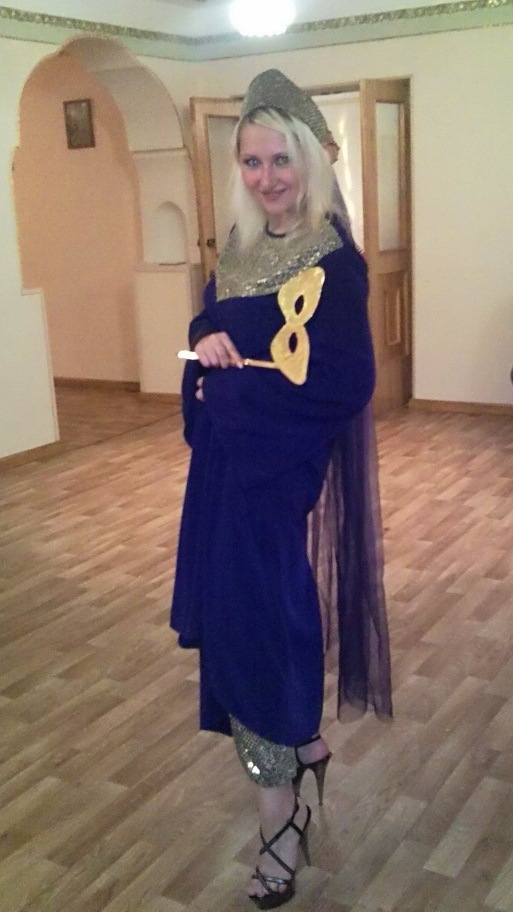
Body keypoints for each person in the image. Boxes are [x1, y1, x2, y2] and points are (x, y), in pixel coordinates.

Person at [171, 69, 392, 909]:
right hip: (222, 470)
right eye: (252, 161)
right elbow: (211, 318)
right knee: (246, 621)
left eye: (280, 159)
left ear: (309, 159)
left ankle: (281, 823)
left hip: (272, 472)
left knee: (254, 631)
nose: (267, 177)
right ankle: (301, 746)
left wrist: (233, 394)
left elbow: (345, 381)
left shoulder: (333, 261)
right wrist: (206, 338)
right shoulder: (238, 245)